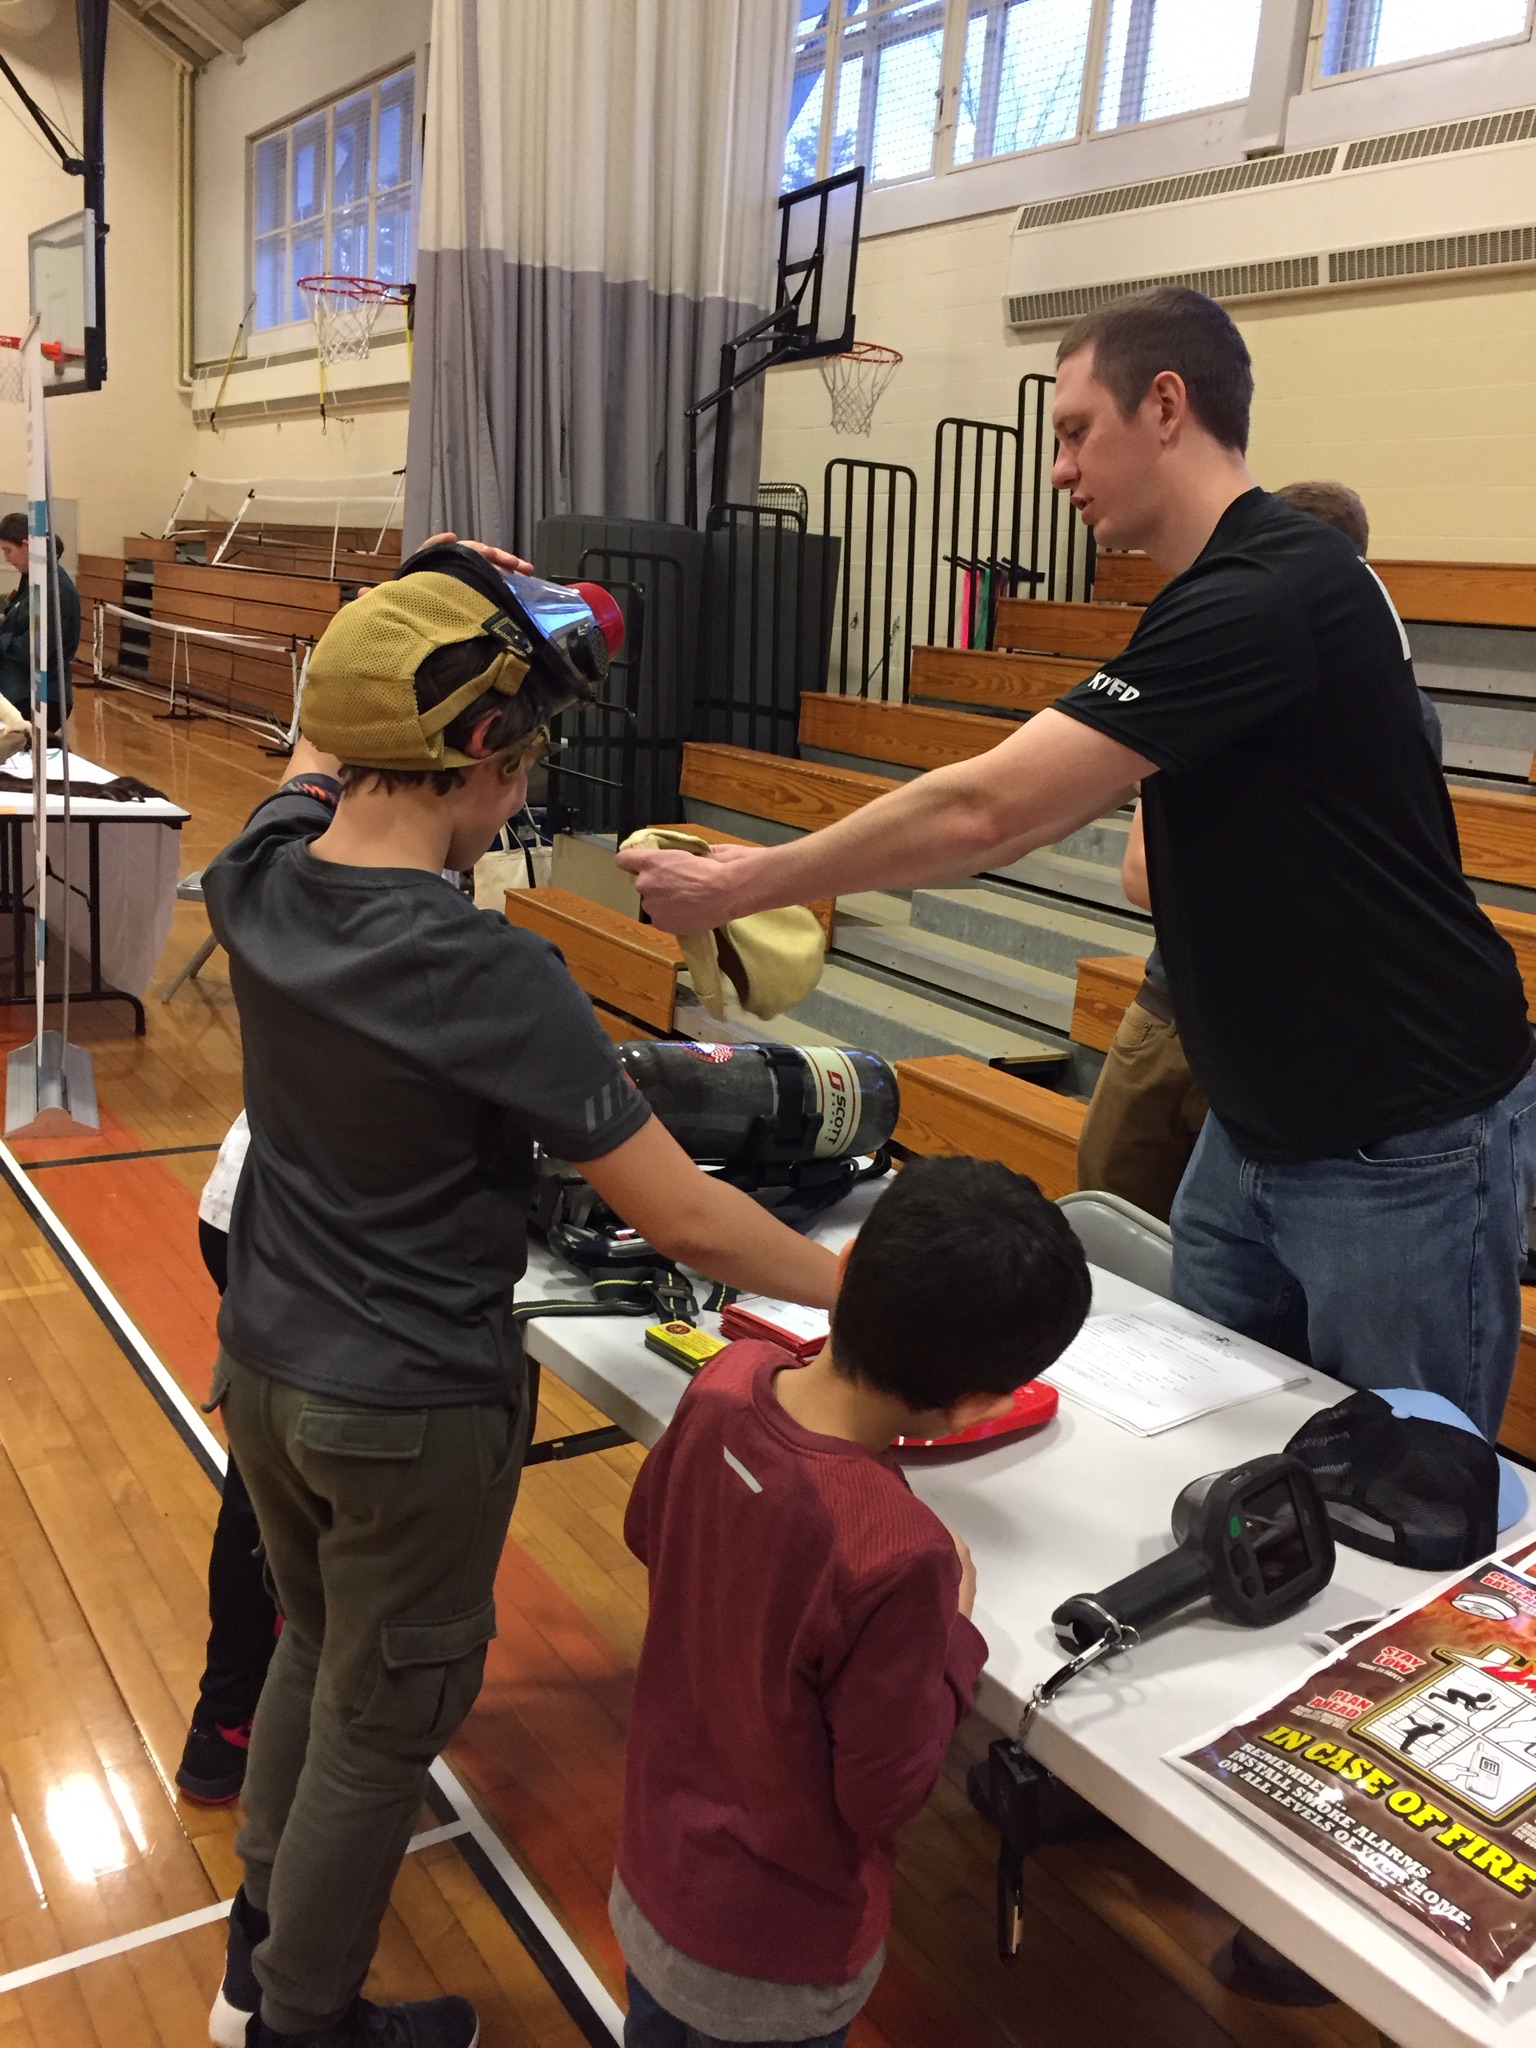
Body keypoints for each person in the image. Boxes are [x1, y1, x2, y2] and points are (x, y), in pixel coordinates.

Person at [619, 286, 1536, 1441]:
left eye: (1073, 428)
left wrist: (743, 881)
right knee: (1196, 1431)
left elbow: (989, 810)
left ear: (1166, 405)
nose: (1060, 467)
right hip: (1256, 1121)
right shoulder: (1224, 591)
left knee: (1414, 1488)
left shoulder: (1270, 590)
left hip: (1396, 1135)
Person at [202, 540, 842, 2048]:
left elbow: (319, 753)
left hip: (271, 1369)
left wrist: (431, 594)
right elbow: (679, 1209)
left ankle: (256, 1957)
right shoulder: (488, 974)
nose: (523, 792)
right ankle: (303, 2024)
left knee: (309, 1645)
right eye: (521, 758)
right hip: (407, 1404)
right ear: (483, 749)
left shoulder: (261, 871)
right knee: (381, 1720)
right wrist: (853, 1286)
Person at [612, 1154, 1091, 2047]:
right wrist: (952, 1633)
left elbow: (651, 1532)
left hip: (655, 1872)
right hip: (776, 1948)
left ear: (844, 1266)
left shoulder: (723, 1381)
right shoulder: (900, 1556)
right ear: (980, 1404)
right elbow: (885, 1791)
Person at [1075, 477, 1442, 1222]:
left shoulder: (1396, 711)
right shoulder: (1207, 673)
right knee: (1101, 1219)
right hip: (1175, 1008)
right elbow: (1143, 876)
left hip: (1277, 1043)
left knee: (1223, 1273)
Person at [174, 1111, 283, 1805]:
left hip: (245, 1207)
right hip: (286, 1221)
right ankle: (229, 1718)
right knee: (271, 1485)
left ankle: (228, 1719)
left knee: (271, 1474)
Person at [0, 511, 79, 726]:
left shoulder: (54, 589)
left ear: (26, 546)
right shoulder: (33, 580)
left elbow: (35, 648)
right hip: (17, 690)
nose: (7, 559)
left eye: (8, 551)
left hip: (37, 698)